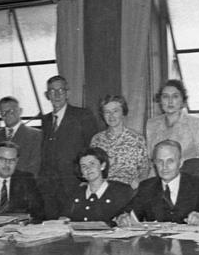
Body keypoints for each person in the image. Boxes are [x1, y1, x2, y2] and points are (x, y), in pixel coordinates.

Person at [116, 140, 199, 226]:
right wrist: (123, 218)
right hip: (156, 242)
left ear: (180, 162)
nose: (164, 167)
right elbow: (126, 212)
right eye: (160, 161)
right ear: (154, 164)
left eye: (170, 161)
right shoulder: (146, 187)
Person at [39, 75, 99, 219]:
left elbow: (92, 149)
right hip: (49, 189)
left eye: (61, 90)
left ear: (68, 93)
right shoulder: (45, 120)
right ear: (47, 95)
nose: (57, 95)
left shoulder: (82, 115)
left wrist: (86, 180)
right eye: (52, 91)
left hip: (75, 185)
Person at [145, 80, 199, 172]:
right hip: (159, 175)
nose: (170, 101)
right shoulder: (152, 124)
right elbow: (150, 157)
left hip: (187, 175)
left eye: (175, 96)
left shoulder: (196, 123)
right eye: (165, 96)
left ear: (182, 100)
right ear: (160, 100)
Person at [61, 147, 133, 224]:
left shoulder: (121, 191)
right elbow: (64, 218)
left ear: (103, 165)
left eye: (92, 164)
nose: (88, 169)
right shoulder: (76, 193)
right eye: (83, 166)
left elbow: (128, 217)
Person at [90, 95, 149, 188]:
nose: (111, 116)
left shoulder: (137, 139)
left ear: (123, 112)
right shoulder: (97, 140)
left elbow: (144, 170)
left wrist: (138, 184)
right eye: (107, 112)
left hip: (128, 190)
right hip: (103, 190)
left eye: (115, 111)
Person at [0, 96, 41, 176]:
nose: (7, 115)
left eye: (11, 111)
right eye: (3, 112)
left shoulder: (36, 135)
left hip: (24, 182)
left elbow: (35, 166)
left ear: (20, 111)